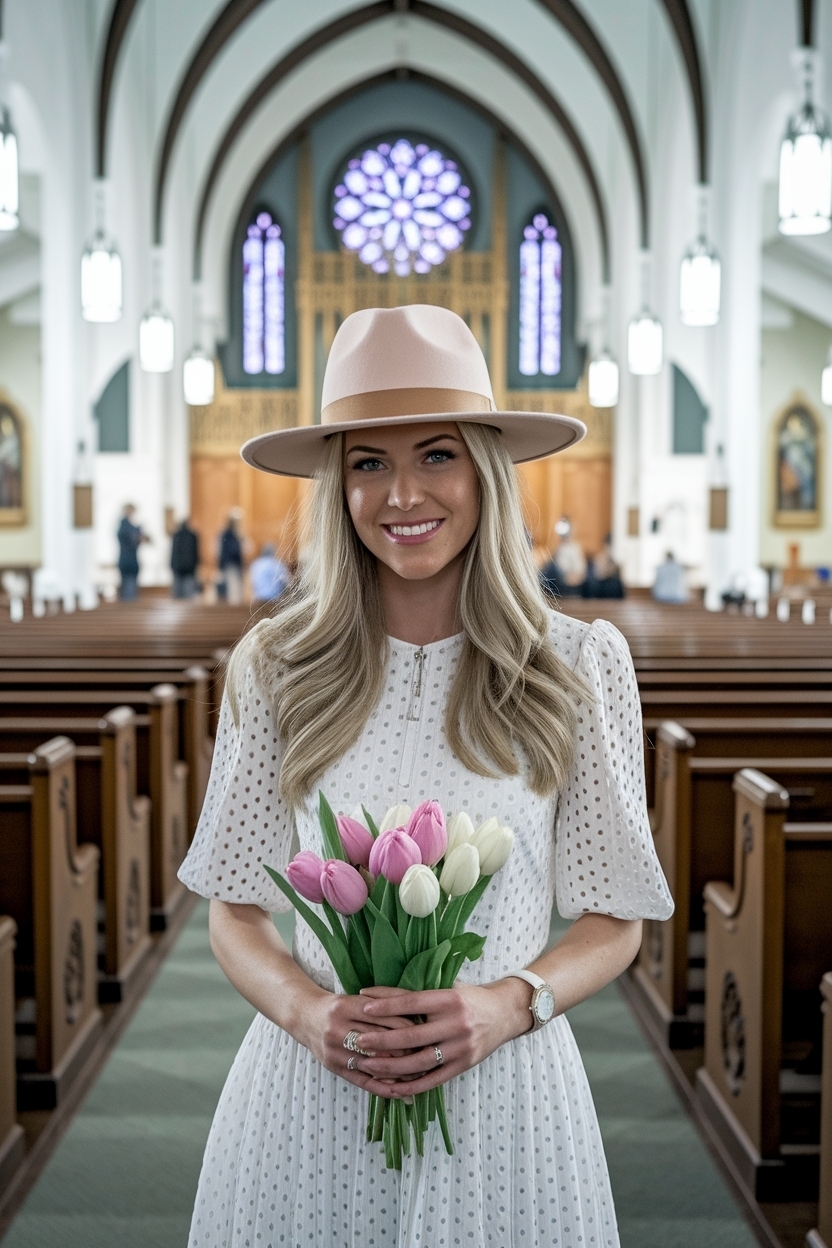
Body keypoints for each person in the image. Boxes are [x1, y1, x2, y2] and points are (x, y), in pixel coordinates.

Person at [178, 305, 672, 1247]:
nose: (403, 493)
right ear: (338, 484)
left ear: (485, 471)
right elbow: (234, 912)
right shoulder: (273, 666)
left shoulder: (576, 664)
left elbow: (614, 923)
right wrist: (307, 1011)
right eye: (369, 462)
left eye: (437, 455)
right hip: (308, 1094)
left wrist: (507, 1004)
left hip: (504, 1094)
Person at [539, 517, 587, 597]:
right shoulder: (555, 548)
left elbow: (579, 576)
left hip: (570, 592)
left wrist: (565, 578)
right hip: (554, 592)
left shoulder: (575, 549)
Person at [116, 504, 146, 601]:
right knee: (129, 593)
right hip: (128, 562)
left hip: (129, 561)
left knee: (129, 589)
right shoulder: (125, 528)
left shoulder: (125, 527)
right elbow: (130, 540)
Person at [249, 541, 289, 607]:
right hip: (274, 600)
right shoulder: (276, 564)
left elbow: (253, 583)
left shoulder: (256, 564)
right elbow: (285, 580)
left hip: (259, 599)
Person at [584, 534, 625, 599]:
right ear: (605, 545)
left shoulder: (615, 560)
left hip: (611, 589)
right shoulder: (600, 558)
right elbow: (599, 575)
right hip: (600, 588)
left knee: (616, 584)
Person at [218, 511, 244, 604]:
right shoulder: (230, 535)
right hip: (231, 565)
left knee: (234, 589)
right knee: (233, 591)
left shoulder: (228, 535)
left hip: (230, 564)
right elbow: (234, 551)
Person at [170, 517, 200, 599]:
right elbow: (196, 553)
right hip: (189, 569)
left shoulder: (176, 535)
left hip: (178, 568)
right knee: (188, 596)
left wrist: (172, 566)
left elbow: (173, 553)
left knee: (178, 596)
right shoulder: (193, 536)